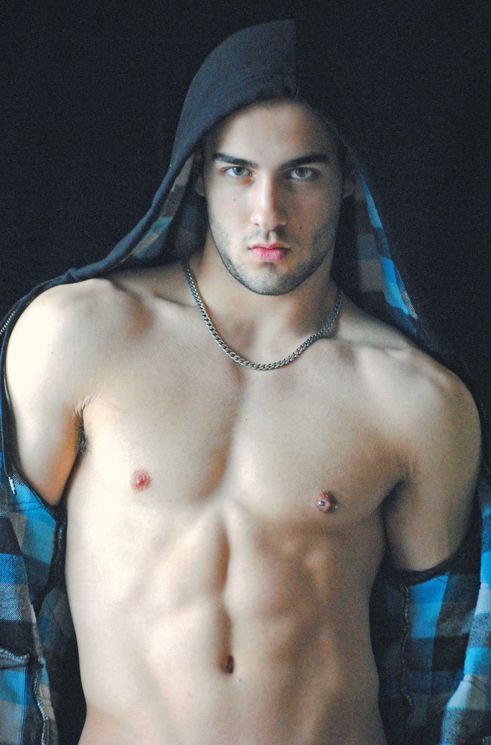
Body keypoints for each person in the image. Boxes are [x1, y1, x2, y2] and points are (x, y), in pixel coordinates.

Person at [0, 20, 487, 745]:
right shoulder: (77, 336)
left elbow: (441, 676)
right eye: (238, 171)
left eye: (302, 172)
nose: (268, 213)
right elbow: (9, 596)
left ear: (348, 178)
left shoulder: (418, 400)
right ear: (197, 172)